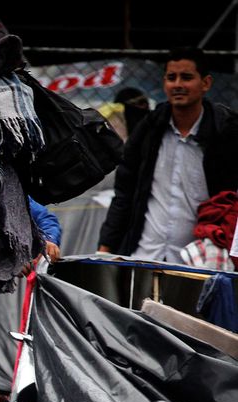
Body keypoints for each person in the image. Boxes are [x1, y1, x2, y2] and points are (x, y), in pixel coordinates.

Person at [97, 46, 238, 262]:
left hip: (200, 260)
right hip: (144, 256)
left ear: (206, 83)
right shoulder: (148, 130)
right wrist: (105, 249)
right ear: (164, 83)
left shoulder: (225, 133)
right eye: (172, 77)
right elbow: (124, 193)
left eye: (187, 77)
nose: (178, 84)